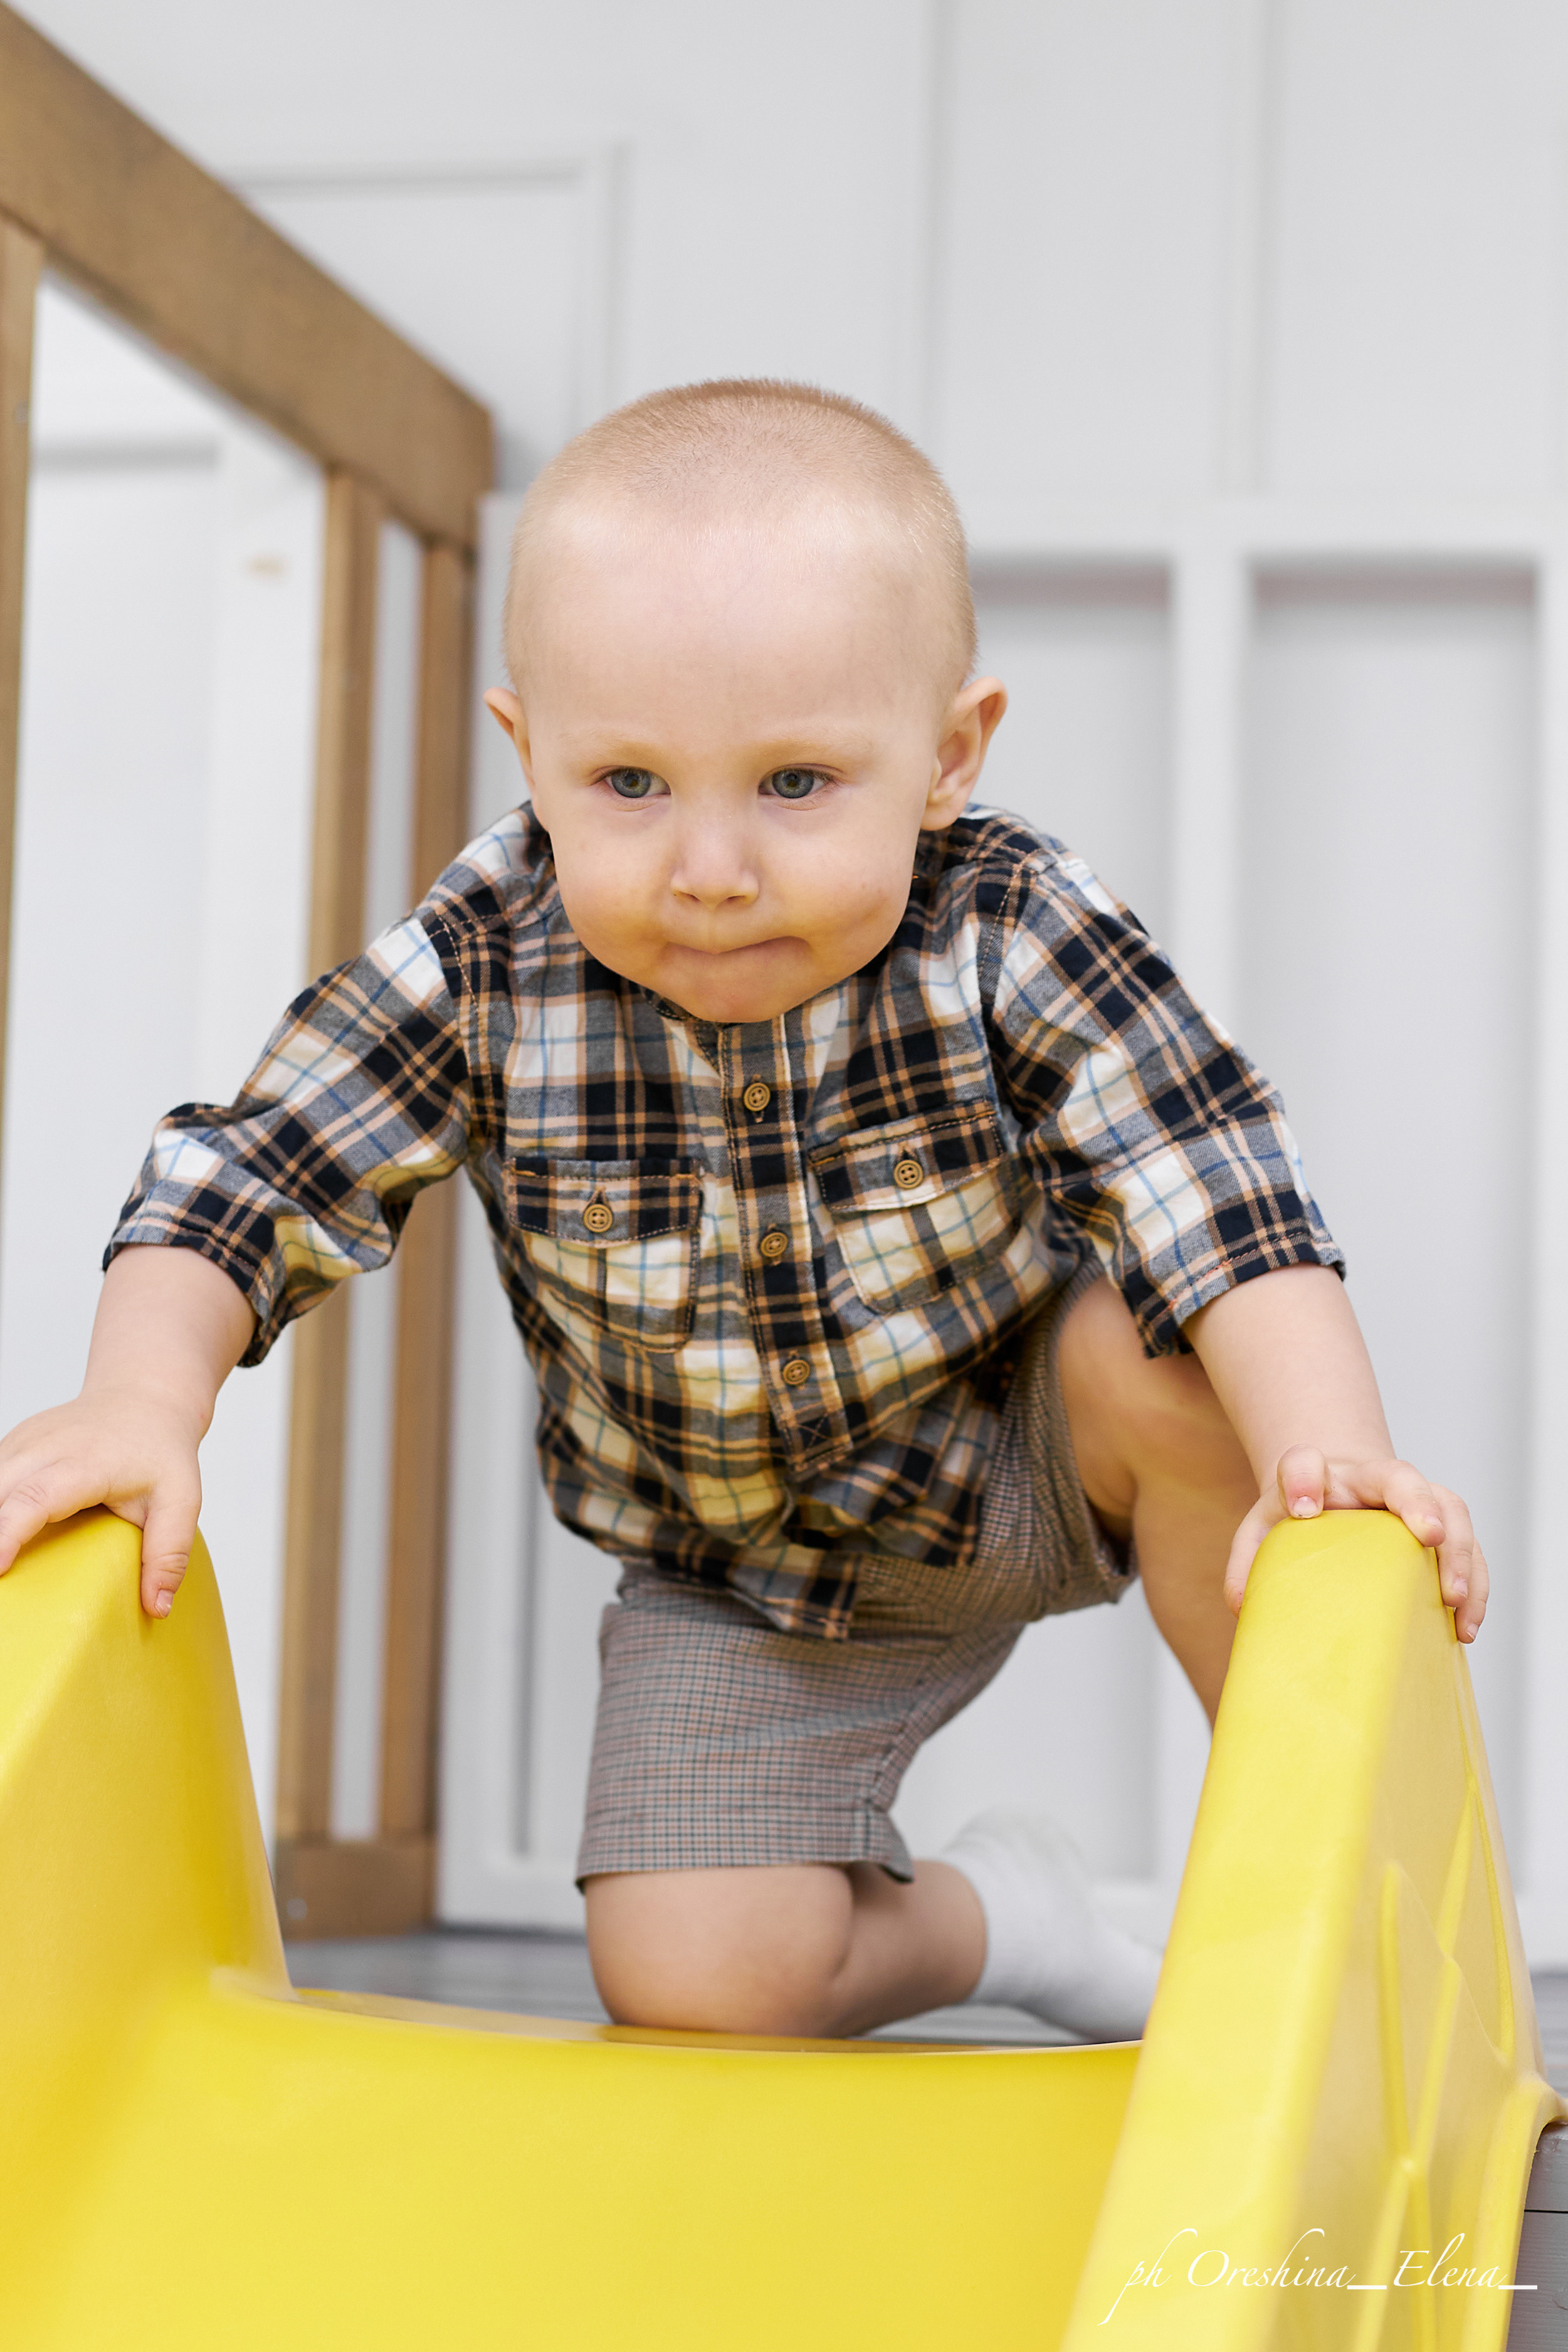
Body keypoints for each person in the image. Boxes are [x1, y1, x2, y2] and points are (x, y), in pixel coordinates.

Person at [0, 380, 1487, 2043]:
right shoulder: (490, 957)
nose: (710, 864)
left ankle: (1319, 1897)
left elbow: (1211, 1178)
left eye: (794, 782)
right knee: (702, 1984)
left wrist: (1336, 1457)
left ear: (946, 759)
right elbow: (250, 1171)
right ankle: (1013, 1923)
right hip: (736, 1567)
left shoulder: (1008, 922)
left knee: (1202, 1369)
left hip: (1027, 1448)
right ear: (530, 759)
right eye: (629, 781)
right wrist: (143, 1401)